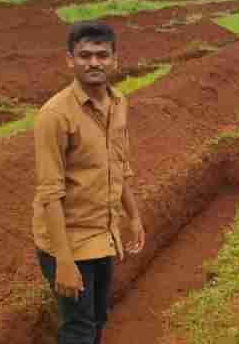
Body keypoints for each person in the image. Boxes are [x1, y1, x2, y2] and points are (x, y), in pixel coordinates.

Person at [33, 22, 145, 344]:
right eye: (84, 55)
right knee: (79, 328)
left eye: (101, 55)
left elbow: (118, 166)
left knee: (97, 318)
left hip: (104, 233)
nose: (93, 62)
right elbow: (49, 193)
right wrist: (64, 261)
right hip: (69, 240)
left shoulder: (119, 103)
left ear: (115, 59)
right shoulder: (54, 115)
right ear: (70, 59)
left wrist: (134, 216)